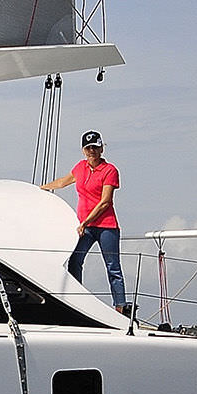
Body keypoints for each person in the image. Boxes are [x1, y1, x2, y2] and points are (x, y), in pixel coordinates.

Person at [40, 130, 129, 317]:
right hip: (85, 227)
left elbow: (105, 202)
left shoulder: (110, 170)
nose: (92, 151)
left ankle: (121, 307)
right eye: (88, 148)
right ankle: (76, 302)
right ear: (83, 150)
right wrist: (41, 188)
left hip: (106, 226)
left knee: (113, 267)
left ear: (102, 148)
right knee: (75, 261)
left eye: (95, 147)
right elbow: (64, 181)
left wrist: (86, 221)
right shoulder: (80, 167)